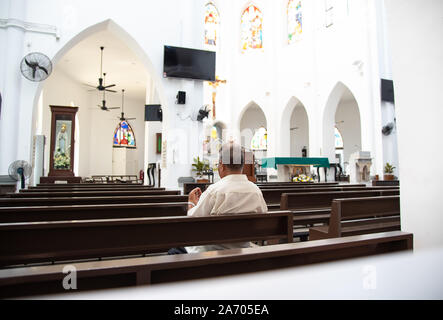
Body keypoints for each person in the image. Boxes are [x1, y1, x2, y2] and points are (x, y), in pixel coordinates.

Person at [168, 141, 268, 255]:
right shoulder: (256, 191)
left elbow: (192, 221)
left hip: (213, 252)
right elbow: (263, 218)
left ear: (222, 165)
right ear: (242, 165)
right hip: (243, 249)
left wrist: (191, 203)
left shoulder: (215, 191)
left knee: (174, 251)